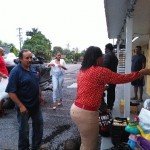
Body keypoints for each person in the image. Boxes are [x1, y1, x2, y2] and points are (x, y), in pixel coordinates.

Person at [70, 46, 150, 150]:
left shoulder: (83, 70)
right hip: (86, 113)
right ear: (97, 58)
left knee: (85, 141)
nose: (103, 59)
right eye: (102, 56)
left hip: (76, 110)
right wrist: (141, 73)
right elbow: (122, 78)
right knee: (89, 145)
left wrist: (102, 87)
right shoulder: (100, 71)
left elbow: (86, 87)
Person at [5, 49, 44, 150]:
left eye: (31, 57)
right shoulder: (15, 72)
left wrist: (40, 95)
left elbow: (36, 83)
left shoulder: (33, 68)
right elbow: (10, 91)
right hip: (24, 107)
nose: (30, 60)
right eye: (27, 58)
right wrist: (21, 106)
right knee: (24, 131)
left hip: (35, 105)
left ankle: (36, 146)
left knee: (39, 126)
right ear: (20, 59)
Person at [103, 43, 118, 110]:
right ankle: (110, 106)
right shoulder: (115, 57)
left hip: (107, 77)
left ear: (107, 48)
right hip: (113, 77)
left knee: (101, 91)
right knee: (112, 92)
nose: (105, 50)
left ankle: (103, 106)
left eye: (105, 49)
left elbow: (104, 67)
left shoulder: (107, 56)